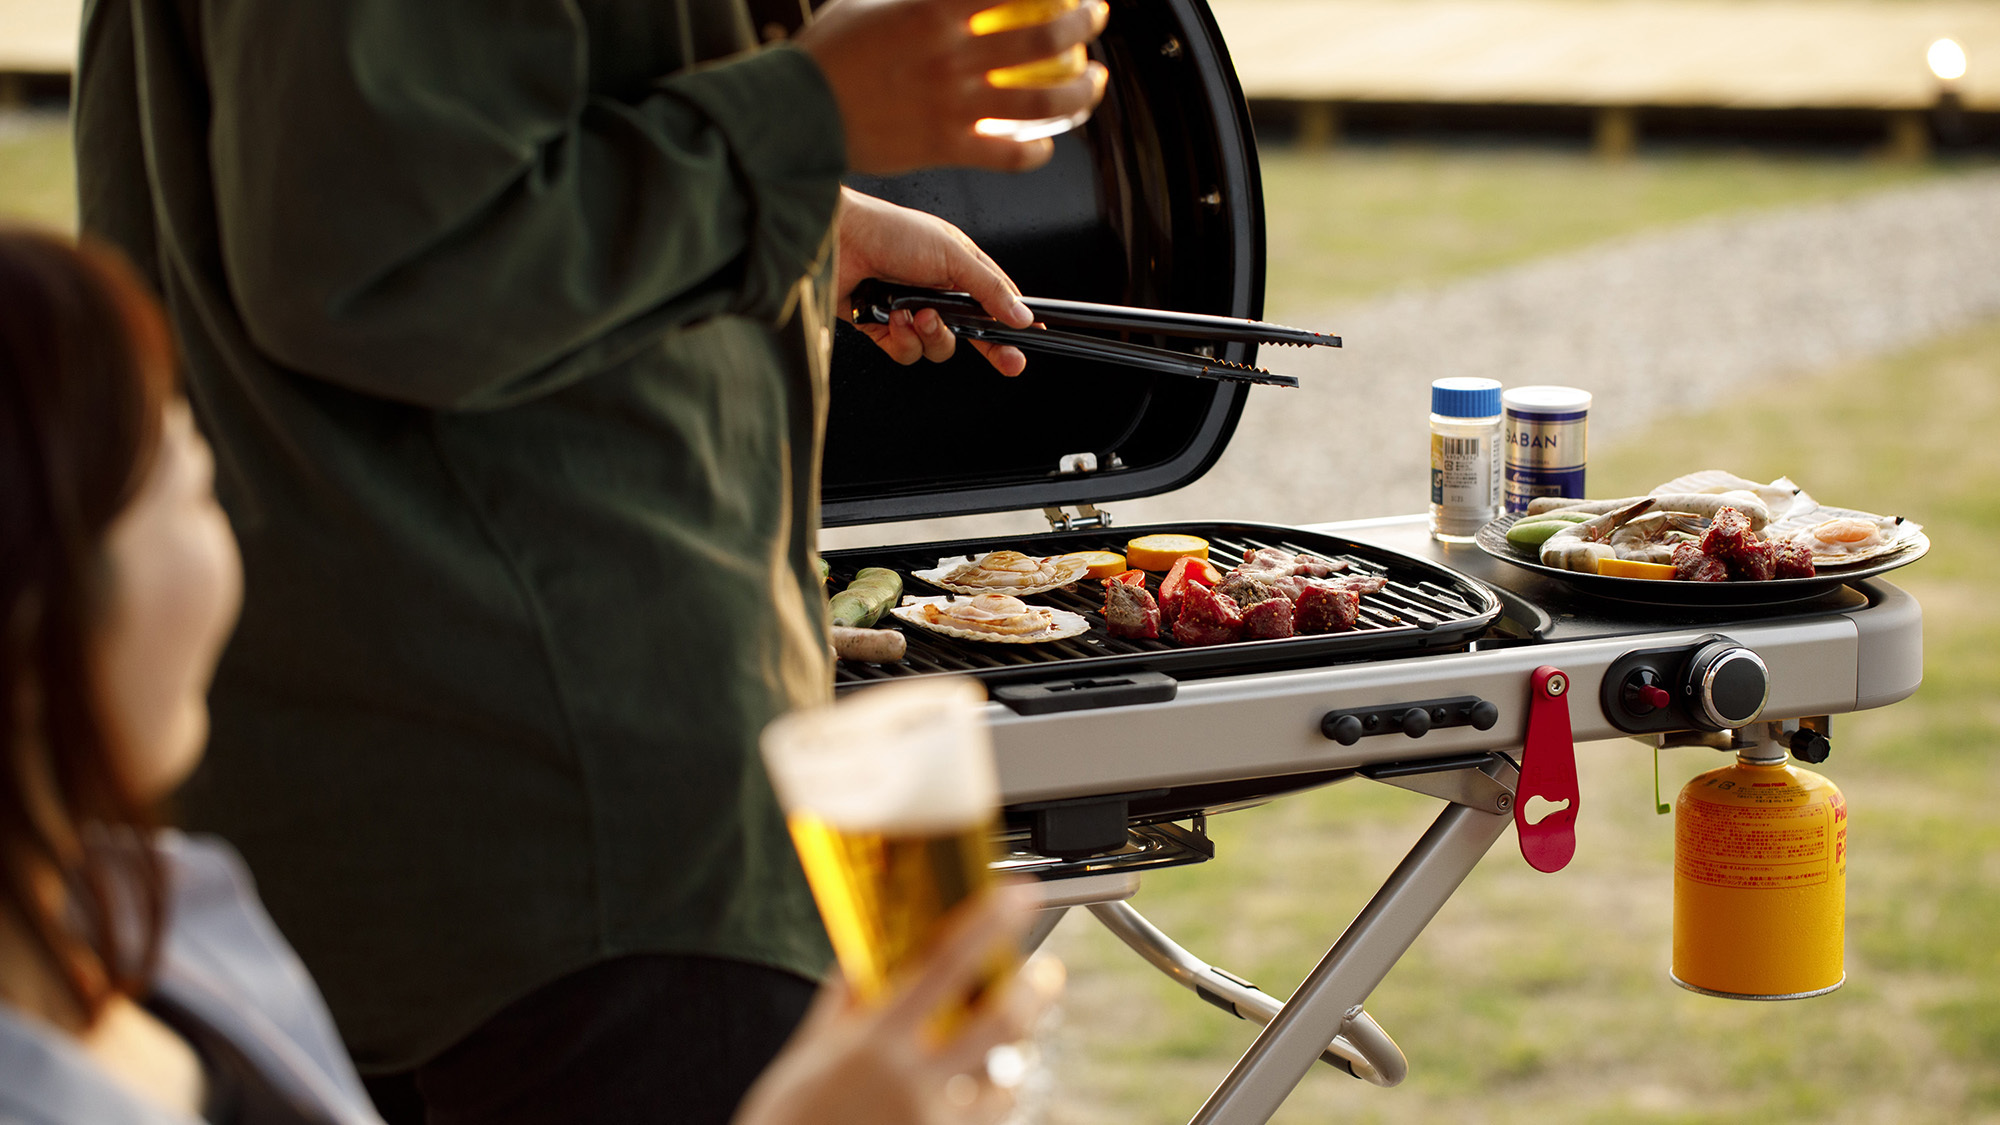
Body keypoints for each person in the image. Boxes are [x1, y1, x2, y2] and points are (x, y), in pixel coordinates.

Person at [74, 0, 1104, 1121]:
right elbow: (385, 259)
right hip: (561, 827)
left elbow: (429, 150)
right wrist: (800, 121)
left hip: (426, 797)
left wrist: (794, 208)